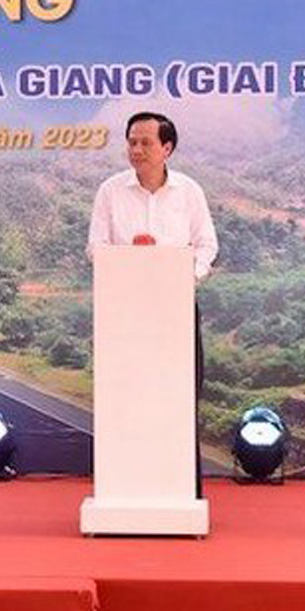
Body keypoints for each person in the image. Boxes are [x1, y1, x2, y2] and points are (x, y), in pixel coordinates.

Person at [86, 112, 219, 495]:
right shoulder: (110, 191)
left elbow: (207, 244)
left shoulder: (188, 191)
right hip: (123, 312)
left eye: (146, 142)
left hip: (175, 309)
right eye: (132, 142)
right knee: (126, 398)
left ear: (167, 148)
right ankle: (125, 490)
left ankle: (182, 492)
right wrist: (129, 259)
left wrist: (185, 276)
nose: (137, 150)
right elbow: (95, 246)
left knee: (179, 398)